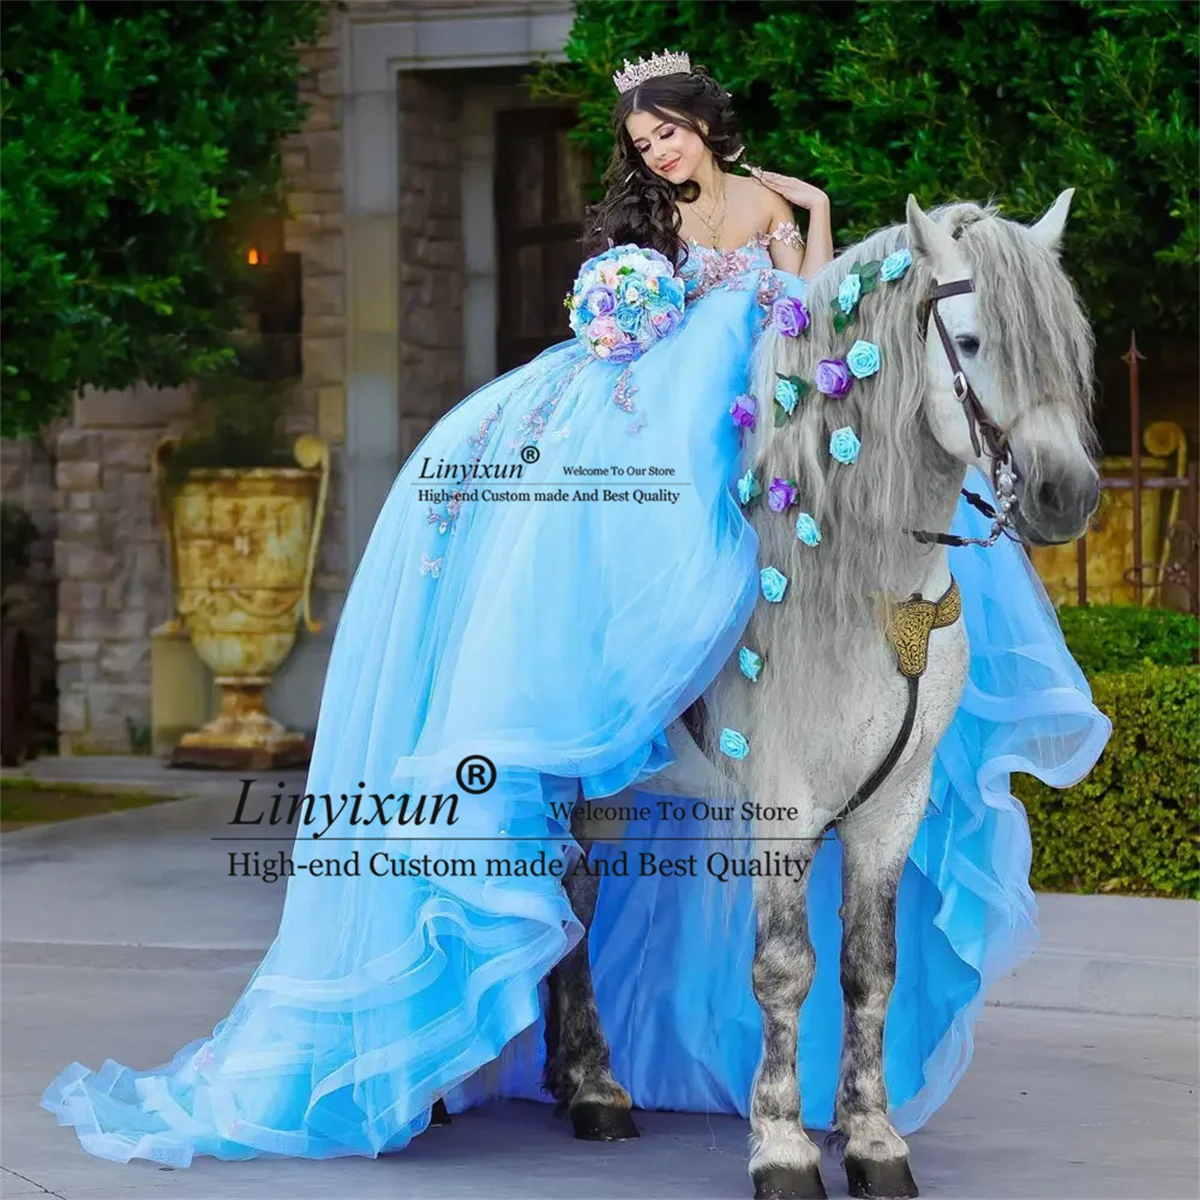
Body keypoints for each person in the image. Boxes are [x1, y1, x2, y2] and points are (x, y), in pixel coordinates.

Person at [41, 52, 1108, 1167]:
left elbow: (815, 314)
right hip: (678, 392)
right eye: (643, 142)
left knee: (874, 485)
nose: (659, 152)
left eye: (669, 132)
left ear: (704, 122)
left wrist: (812, 234)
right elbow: (633, 318)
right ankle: (631, 672)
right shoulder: (656, 224)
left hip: (775, 374)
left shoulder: (781, 203)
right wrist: (629, 314)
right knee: (665, 493)